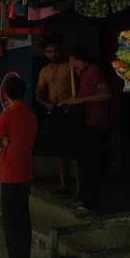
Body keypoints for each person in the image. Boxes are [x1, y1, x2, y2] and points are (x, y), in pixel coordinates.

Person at [60, 46, 112, 215]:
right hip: (87, 124)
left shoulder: (93, 71)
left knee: (92, 166)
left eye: (71, 59)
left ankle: (92, 203)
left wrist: (82, 100)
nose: (70, 63)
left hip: (97, 124)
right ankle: (85, 198)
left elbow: (106, 94)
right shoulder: (81, 74)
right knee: (84, 164)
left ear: (76, 58)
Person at [0, 76, 38, 258]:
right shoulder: (30, 114)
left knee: (11, 223)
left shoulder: (7, 115)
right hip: (26, 171)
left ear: (6, 94)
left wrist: (1, 140)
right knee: (23, 219)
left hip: (10, 174)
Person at [35, 38, 77, 196]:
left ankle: (79, 187)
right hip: (54, 110)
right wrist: (46, 104)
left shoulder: (70, 66)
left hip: (71, 109)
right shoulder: (44, 71)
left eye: (55, 51)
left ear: (61, 50)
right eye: (49, 52)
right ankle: (63, 184)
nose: (53, 54)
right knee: (60, 150)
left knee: (74, 150)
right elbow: (39, 92)